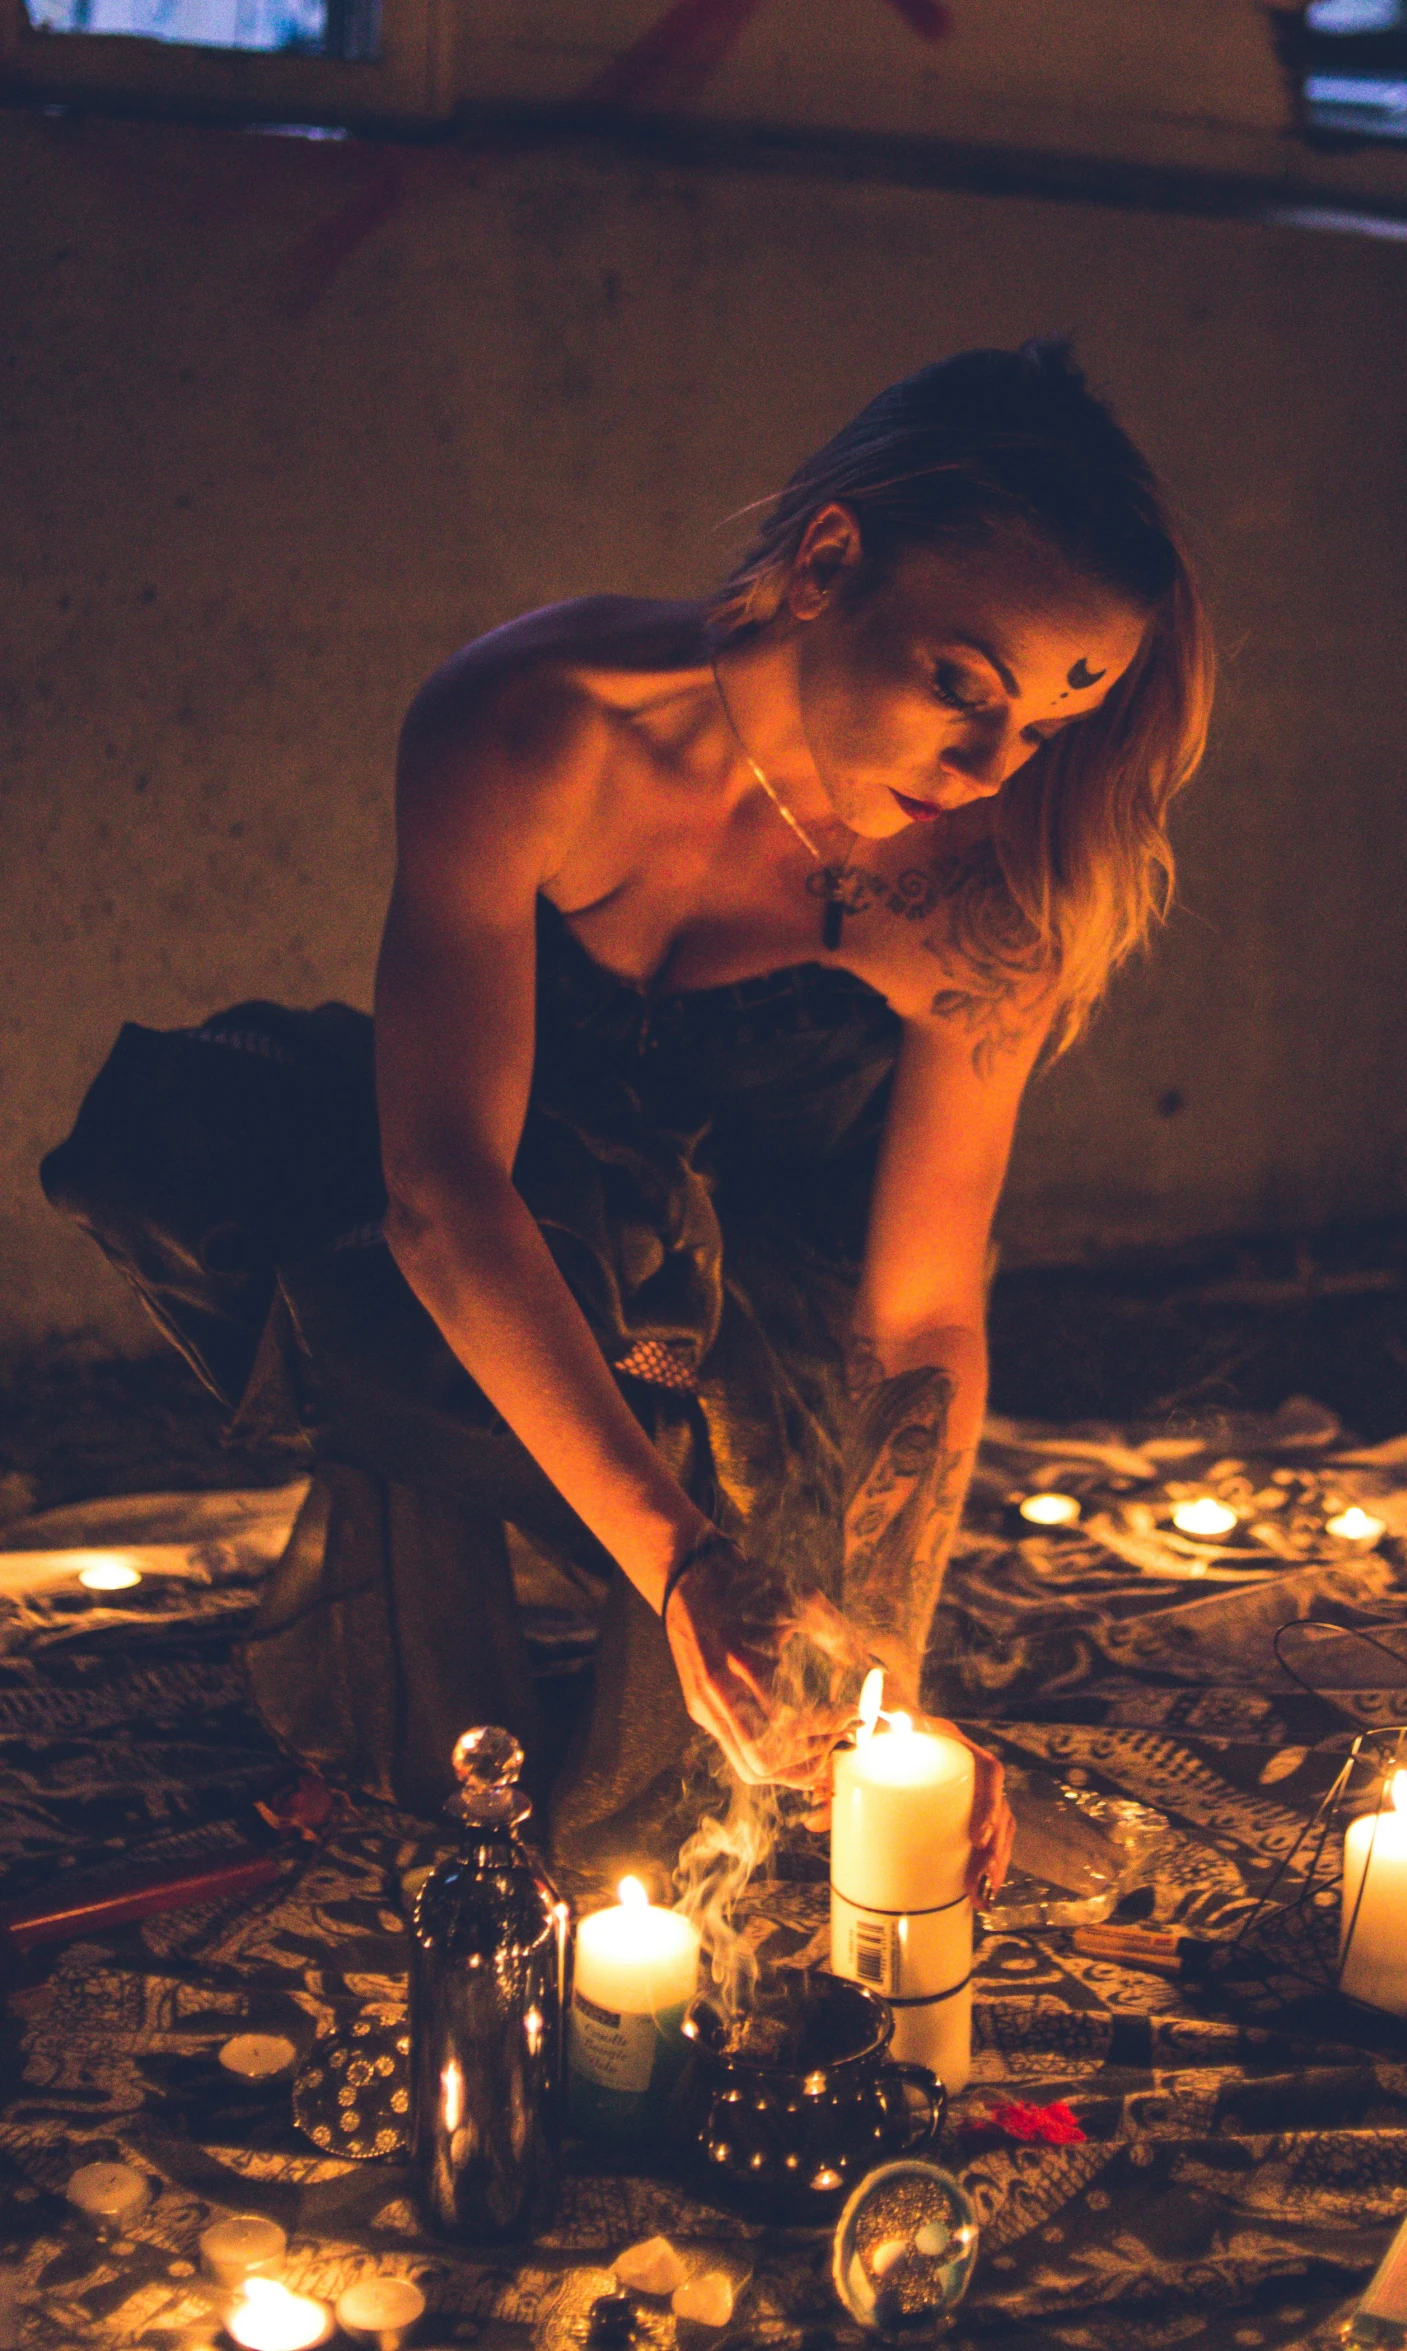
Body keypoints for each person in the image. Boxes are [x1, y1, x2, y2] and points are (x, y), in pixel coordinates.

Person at [43, 340, 1212, 1899]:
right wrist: (685, 1564)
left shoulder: (991, 883)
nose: (996, 766)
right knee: (344, 1229)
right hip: (528, 1248)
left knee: (657, 1830)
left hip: (778, 1342)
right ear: (826, 562)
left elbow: (923, 1310)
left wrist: (885, 1679)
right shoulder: (530, 722)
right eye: (962, 687)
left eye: (1052, 726)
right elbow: (444, 1184)